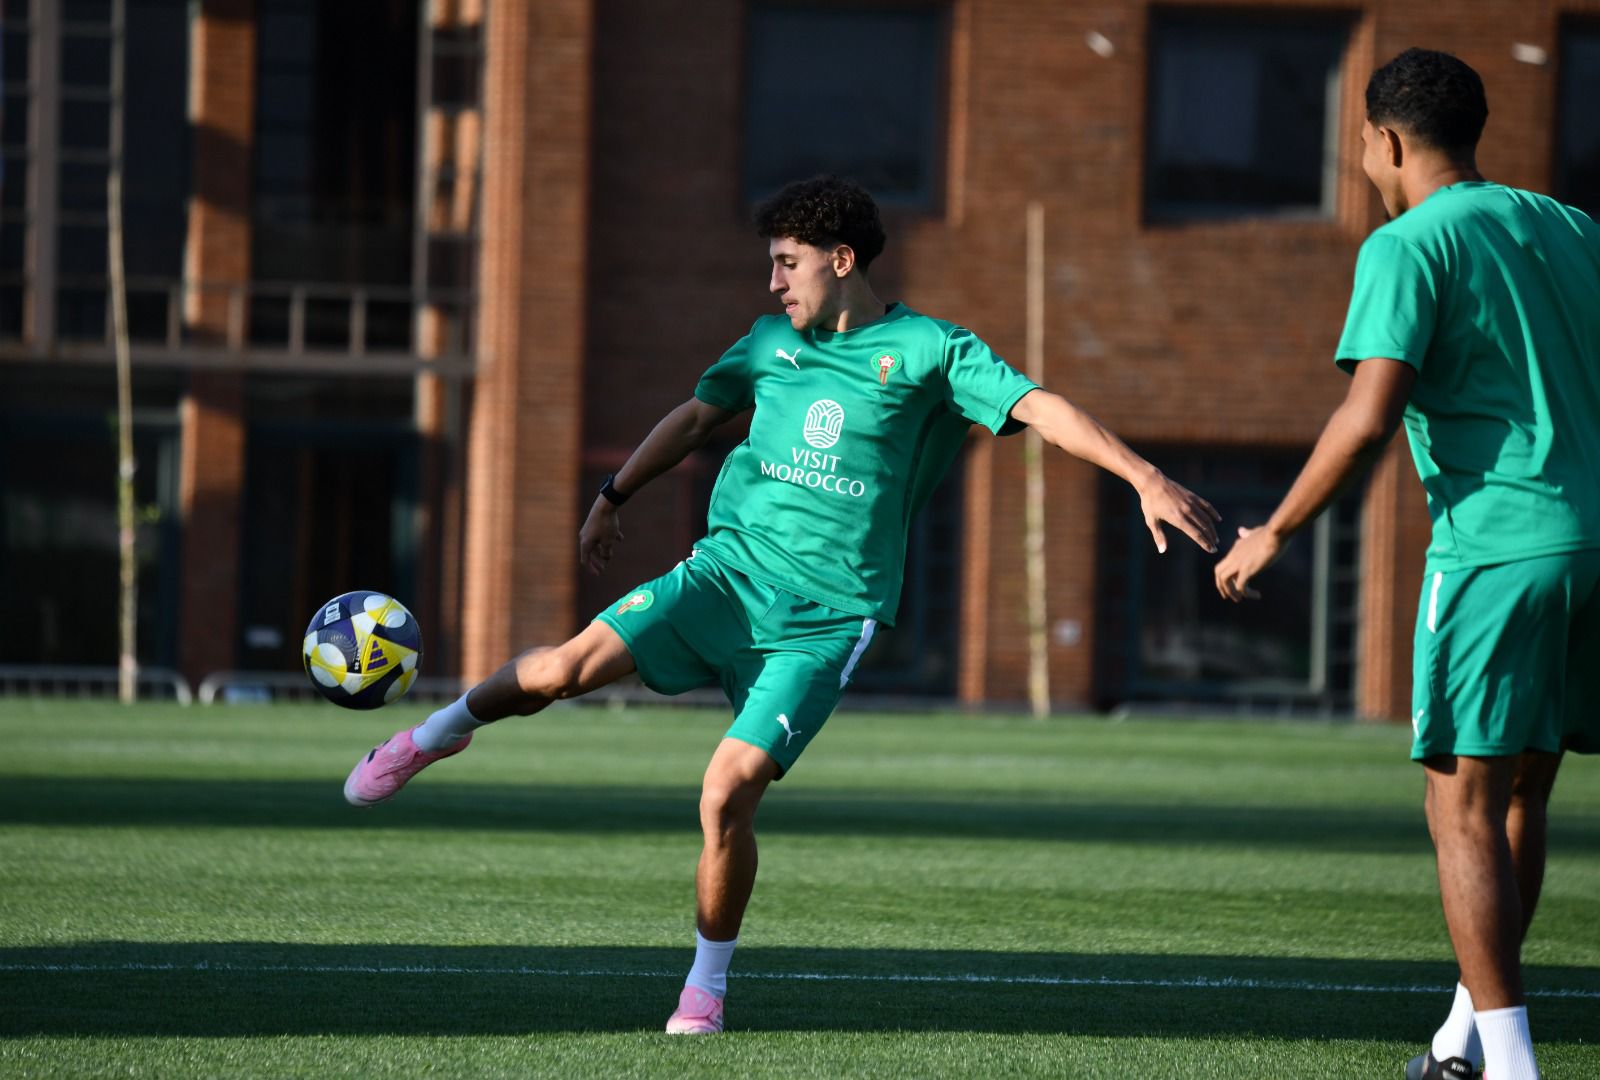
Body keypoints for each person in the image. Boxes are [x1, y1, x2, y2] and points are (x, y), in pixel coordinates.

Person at [345, 175, 1221, 1034]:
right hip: (724, 575)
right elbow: (694, 420)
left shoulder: (931, 350)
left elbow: (1042, 408)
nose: (773, 281)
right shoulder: (766, 344)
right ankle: (431, 734)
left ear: (842, 261)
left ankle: (704, 989)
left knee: (726, 795)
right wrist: (613, 495)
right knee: (563, 669)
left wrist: (1143, 476)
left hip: (828, 617)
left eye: (787, 263)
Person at [1214, 48, 1600, 1080]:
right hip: (1592, 542)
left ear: (1382, 141)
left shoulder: (1405, 243)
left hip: (1498, 546)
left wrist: (1275, 531)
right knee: (1520, 794)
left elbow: (1367, 415)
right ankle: (1459, 1041)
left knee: (1459, 803)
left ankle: (1511, 1068)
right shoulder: (1571, 227)